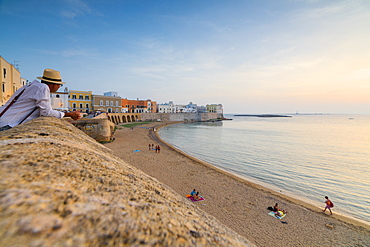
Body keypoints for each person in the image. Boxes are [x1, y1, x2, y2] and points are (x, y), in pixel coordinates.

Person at [0, 68, 81, 131]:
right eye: (59, 85)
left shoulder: (30, 87)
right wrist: (69, 114)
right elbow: (46, 112)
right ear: (54, 85)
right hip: (7, 123)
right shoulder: (43, 88)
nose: (59, 87)